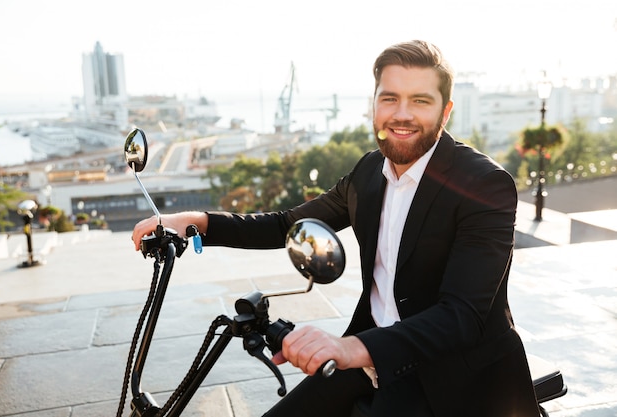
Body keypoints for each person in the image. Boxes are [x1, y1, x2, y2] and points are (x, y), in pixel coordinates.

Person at [132, 40, 540, 417]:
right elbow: (286, 226)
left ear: (445, 111)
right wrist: (196, 222)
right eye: (390, 98)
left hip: (452, 377)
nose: (402, 113)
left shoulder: (484, 185)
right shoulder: (368, 172)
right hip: (373, 355)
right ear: (374, 105)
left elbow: (461, 316)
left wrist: (350, 347)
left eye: (420, 101)